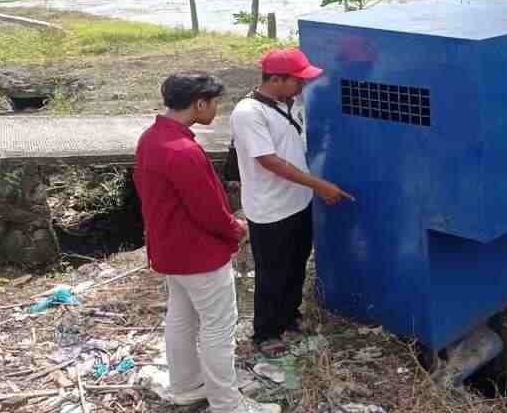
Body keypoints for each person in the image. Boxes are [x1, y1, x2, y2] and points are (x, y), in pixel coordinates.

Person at [135, 73, 280, 413]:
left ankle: (186, 385)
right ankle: (228, 404)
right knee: (218, 328)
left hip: (169, 247)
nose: (217, 109)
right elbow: (209, 210)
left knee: (181, 317)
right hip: (198, 253)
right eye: (214, 103)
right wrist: (236, 229)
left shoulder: (151, 138)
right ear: (199, 103)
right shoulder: (183, 151)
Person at [230, 49, 354, 356]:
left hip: (299, 202)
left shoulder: (291, 102)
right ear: (275, 79)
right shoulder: (248, 113)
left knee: (296, 265)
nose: (303, 85)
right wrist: (320, 185)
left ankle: (289, 316)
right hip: (270, 209)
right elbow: (270, 161)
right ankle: (266, 332)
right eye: (298, 80)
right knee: (273, 272)